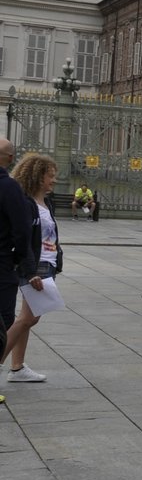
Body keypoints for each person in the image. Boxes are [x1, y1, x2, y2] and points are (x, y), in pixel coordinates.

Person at [5, 154, 60, 384]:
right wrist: (31, 271)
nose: (53, 181)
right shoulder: (27, 203)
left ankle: (17, 367)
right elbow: (24, 238)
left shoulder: (45, 202)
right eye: (50, 176)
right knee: (28, 318)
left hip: (47, 262)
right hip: (36, 264)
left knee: (28, 317)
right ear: (38, 176)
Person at [0, 139, 36, 336]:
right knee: (4, 319)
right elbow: (22, 230)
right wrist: (18, 257)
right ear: (11, 158)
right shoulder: (10, 187)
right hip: (3, 262)